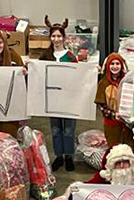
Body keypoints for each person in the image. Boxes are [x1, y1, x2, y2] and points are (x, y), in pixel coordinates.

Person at [40, 16, 79, 172]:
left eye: (59, 36)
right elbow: (38, 72)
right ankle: (58, 156)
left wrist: (91, 71)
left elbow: (79, 75)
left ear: (63, 37)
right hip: (53, 99)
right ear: (50, 37)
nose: (56, 39)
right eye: (53, 36)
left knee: (69, 130)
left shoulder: (70, 56)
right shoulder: (45, 56)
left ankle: (69, 156)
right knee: (56, 129)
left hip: (68, 99)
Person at [95, 52, 133, 147]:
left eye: (117, 64)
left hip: (128, 124)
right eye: (112, 64)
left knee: (130, 148)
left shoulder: (127, 81)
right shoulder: (103, 83)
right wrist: (113, 115)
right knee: (115, 150)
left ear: (122, 66)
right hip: (112, 125)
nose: (115, 66)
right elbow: (101, 106)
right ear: (108, 66)